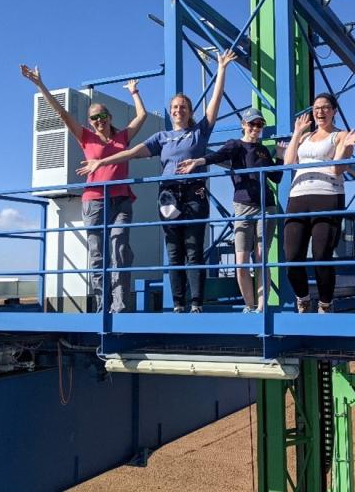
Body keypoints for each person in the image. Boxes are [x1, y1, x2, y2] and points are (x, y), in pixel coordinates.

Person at [77, 49, 237, 313]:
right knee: (174, 251)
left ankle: (196, 302)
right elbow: (130, 152)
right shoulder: (161, 138)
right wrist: (101, 163)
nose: (178, 111)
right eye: (174, 108)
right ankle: (177, 303)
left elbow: (214, 104)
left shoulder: (199, 133)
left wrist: (221, 69)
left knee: (194, 250)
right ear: (171, 112)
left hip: (194, 194)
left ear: (188, 112)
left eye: (182, 107)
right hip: (168, 195)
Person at [20, 65, 148, 313]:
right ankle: (103, 305)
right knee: (98, 254)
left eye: (102, 116)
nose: (99, 121)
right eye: (94, 119)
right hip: (95, 201)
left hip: (121, 199)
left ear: (110, 117)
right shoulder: (86, 138)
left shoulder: (122, 137)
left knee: (120, 248)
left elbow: (141, 117)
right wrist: (40, 85)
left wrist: (134, 92)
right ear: (90, 122)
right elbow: (62, 114)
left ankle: (120, 307)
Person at [176, 107, 285, 313]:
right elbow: (217, 156)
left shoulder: (262, 150)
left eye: (259, 125)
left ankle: (262, 307)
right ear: (243, 125)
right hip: (243, 206)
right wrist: (197, 161)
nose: (255, 128)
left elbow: (276, 177)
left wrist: (280, 157)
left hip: (266, 206)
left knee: (261, 257)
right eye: (252, 124)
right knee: (241, 262)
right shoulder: (235, 145)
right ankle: (249, 305)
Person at [282, 93, 355, 313]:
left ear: (334, 111)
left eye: (325, 107)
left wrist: (346, 148)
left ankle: (325, 304)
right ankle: (303, 298)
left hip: (327, 195)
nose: (320, 112)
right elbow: (289, 163)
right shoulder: (304, 138)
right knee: (291, 258)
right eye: (316, 108)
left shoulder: (340, 135)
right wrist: (297, 133)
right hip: (298, 196)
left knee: (321, 256)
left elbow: (337, 169)